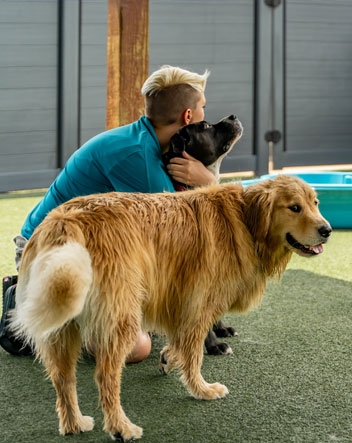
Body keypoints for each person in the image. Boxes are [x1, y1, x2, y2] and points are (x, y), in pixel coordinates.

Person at [0, 65, 216, 362]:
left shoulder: (146, 143)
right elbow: (177, 241)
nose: (207, 114)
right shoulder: (139, 159)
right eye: (203, 107)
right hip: (45, 257)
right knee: (135, 345)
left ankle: (69, 313)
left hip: (85, 251)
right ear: (187, 116)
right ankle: (25, 303)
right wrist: (209, 183)